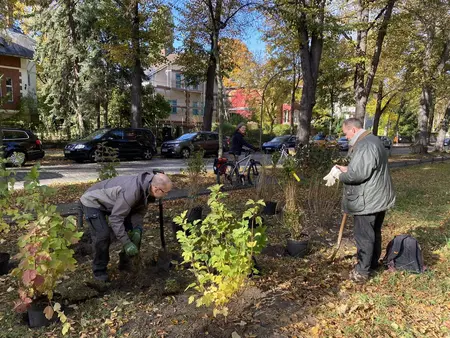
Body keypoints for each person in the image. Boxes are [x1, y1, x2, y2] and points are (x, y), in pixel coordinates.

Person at [80, 172, 173, 281]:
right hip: (92, 202)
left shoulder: (146, 189)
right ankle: (99, 271)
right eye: (165, 192)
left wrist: (137, 229)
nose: (166, 195)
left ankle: (127, 266)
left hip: (113, 204)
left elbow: (138, 212)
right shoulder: (132, 192)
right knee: (103, 235)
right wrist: (127, 242)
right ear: (157, 189)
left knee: (133, 232)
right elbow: (115, 218)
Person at [335, 118, 395, 283]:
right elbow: (366, 168)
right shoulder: (373, 140)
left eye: (345, 133)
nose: (346, 137)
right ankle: (372, 264)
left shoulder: (365, 145)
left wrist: (339, 175)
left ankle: (362, 272)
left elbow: (357, 175)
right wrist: (348, 168)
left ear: (353, 130)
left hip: (367, 200)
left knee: (364, 236)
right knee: (373, 232)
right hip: (377, 196)